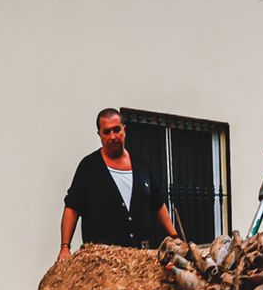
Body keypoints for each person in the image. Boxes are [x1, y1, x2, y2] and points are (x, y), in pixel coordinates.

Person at [58, 108, 179, 261]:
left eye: (116, 130)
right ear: (100, 135)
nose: (112, 136)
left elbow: (158, 205)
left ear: (124, 130)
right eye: (106, 132)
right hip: (102, 261)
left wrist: (174, 236)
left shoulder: (141, 165)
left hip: (141, 259)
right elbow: (72, 209)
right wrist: (64, 247)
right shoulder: (89, 167)